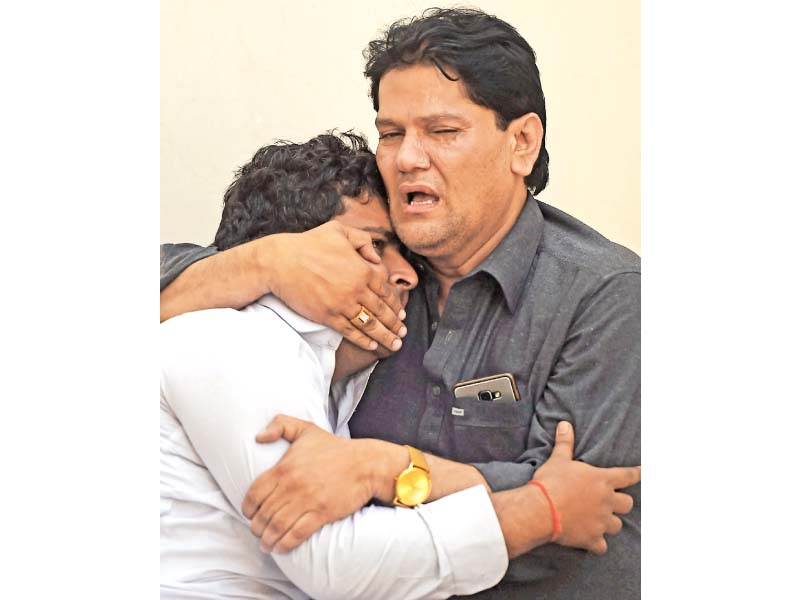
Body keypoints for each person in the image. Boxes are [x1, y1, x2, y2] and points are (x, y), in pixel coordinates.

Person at [161, 8, 641, 598]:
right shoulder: (366, 267)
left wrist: (382, 470)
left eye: (442, 132)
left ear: (521, 142)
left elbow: (584, 514)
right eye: (391, 133)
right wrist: (266, 260)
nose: (407, 158)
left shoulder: (606, 294)